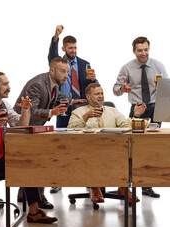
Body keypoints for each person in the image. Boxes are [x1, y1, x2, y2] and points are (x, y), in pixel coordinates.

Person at [0, 71, 58, 227]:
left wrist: (26, 109)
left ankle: (34, 211)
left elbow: (20, 125)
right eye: (5, 84)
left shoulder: (4, 106)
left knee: (26, 162)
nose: (9, 87)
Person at [13, 57, 84, 208]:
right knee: (41, 161)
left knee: (38, 161)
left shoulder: (53, 82)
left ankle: (24, 194)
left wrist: (71, 101)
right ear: (52, 71)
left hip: (36, 127)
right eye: (63, 71)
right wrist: (52, 112)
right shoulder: (37, 85)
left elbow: (57, 96)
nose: (66, 75)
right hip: (24, 127)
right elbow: (31, 111)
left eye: (67, 72)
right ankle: (39, 198)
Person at [68, 83, 146, 203]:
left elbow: (126, 127)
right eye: (97, 94)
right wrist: (86, 117)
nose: (101, 96)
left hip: (113, 148)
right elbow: (70, 130)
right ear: (88, 97)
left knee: (130, 153)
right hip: (89, 150)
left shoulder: (113, 111)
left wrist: (134, 115)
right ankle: (94, 187)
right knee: (93, 155)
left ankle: (123, 187)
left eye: (102, 93)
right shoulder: (79, 112)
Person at [112, 36, 167, 198]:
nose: (143, 53)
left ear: (149, 49)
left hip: (155, 108)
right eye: (139, 50)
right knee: (132, 149)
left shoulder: (158, 66)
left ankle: (147, 186)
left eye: (145, 50)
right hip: (136, 110)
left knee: (151, 149)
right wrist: (122, 88)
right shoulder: (127, 68)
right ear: (134, 51)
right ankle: (127, 185)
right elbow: (115, 90)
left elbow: (168, 87)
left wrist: (163, 88)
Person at [47, 25, 96, 194]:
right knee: (61, 145)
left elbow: (92, 87)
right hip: (63, 108)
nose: (73, 50)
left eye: (75, 48)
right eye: (70, 48)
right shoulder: (58, 63)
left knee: (84, 146)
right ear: (64, 48)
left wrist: (94, 78)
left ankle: (90, 182)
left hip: (82, 109)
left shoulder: (84, 64)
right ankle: (57, 181)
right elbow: (51, 55)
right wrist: (55, 37)